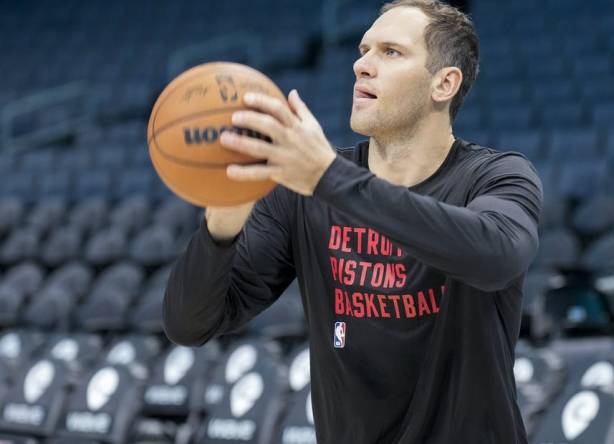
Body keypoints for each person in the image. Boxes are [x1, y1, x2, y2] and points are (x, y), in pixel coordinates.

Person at [163, 0, 542, 442]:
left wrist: (327, 176)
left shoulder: (497, 176)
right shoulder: (304, 192)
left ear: (444, 83)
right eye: (363, 50)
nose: (362, 64)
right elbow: (190, 325)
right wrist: (221, 226)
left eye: (390, 52)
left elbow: (494, 256)